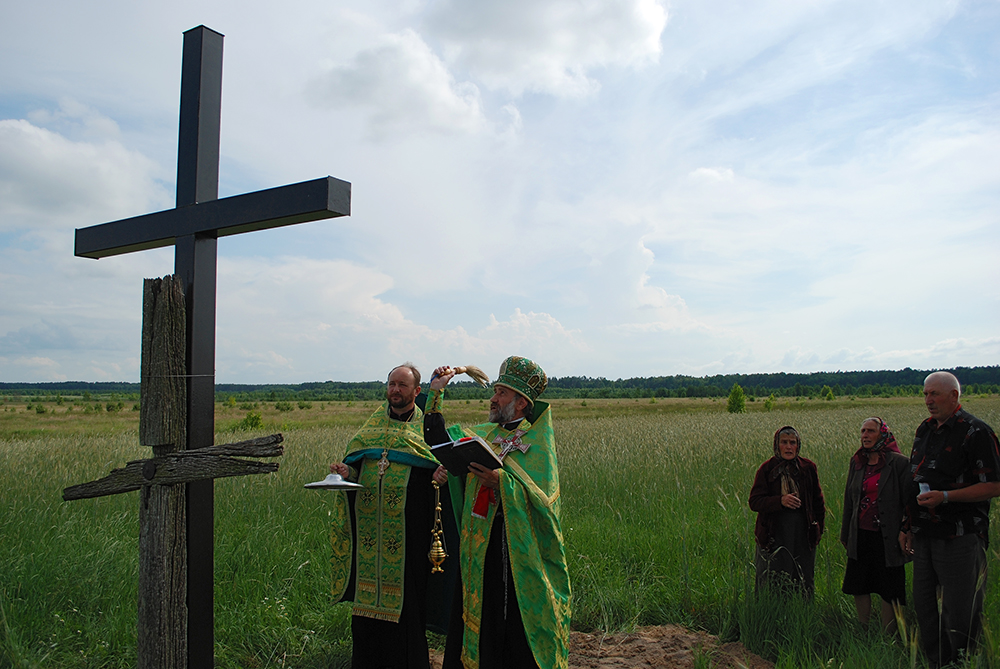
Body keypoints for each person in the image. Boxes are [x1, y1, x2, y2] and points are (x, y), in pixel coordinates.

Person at [424, 356, 571, 669]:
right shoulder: (484, 433)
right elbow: (437, 442)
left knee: (510, 621)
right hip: (478, 544)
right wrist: (436, 392)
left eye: (501, 393)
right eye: (495, 392)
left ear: (520, 403)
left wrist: (500, 481)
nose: (492, 398)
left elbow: (545, 500)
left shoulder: (537, 442)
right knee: (480, 613)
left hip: (516, 552)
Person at [328, 363, 449, 669]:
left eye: (402, 386)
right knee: (365, 610)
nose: (395, 390)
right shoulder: (368, 431)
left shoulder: (423, 432)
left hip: (408, 536)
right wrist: (347, 471)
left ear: (416, 392)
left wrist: (437, 476)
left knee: (407, 609)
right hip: (370, 537)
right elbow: (358, 466)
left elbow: (434, 474)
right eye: (392, 384)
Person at [901, 371, 1000, 668]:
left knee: (960, 611)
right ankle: (936, 663)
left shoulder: (975, 432)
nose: (929, 400)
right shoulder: (926, 429)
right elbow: (917, 478)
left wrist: (946, 497)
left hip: (959, 537)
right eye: (925, 394)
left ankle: (963, 663)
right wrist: (907, 526)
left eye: (935, 394)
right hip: (924, 534)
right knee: (926, 608)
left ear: (954, 396)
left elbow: (994, 485)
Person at [840, 417, 910, 633]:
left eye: (870, 431)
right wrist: (846, 534)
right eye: (862, 431)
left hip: (887, 535)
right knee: (859, 582)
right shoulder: (858, 462)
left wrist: (906, 529)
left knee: (889, 586)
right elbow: (849, 501)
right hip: (861, 533)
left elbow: (909, 501)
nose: (865, 435)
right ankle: (864, 628)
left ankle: (888, 633)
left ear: (883, 434)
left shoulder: (899, 463)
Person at [748, 426, 826, 596]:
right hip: (774, 534)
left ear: (798, 445)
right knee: (772, 579)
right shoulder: (767, 469)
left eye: (793, 443)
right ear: (777, 445)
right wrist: (780, 501)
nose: (789, 447)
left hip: (802, 534)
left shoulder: (808, 468)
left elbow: (818, 503)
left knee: (802, 578)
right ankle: (770, 613)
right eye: (784, 442)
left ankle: (800, 614)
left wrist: (818, 529)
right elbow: (754, 501)